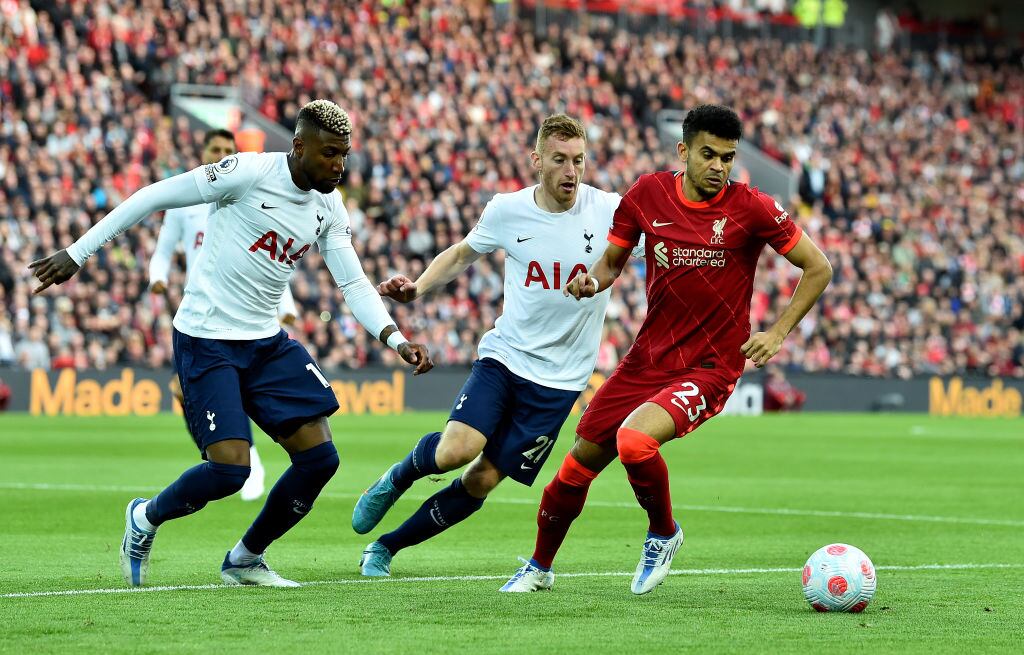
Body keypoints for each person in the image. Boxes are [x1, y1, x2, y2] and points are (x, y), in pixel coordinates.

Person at [29, 99, 434, 587]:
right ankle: (144, 517)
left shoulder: (329, 205)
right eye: (329, 153)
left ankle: (245, 558)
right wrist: (78, 252)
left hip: (265, 342)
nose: (339, 166)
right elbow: (152, 195)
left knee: (320, 459)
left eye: (344, 155)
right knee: (229, 471)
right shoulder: (247, 172)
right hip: (207, 338)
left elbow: (352, 282)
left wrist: (395, 338)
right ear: (299, 146)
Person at [501, 104, 833, 595]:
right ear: (683, 151)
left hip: (710, 365)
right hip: (648, 359)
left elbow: (819, 266)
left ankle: (663, 533)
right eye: (708, 154)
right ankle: (539, 567)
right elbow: (611, 263)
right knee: (575, 466)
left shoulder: (752, 207)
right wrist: (591, 280)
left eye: (727, 157)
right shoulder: (647, 194)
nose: (719, 166)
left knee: (634, 442)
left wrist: (779, 332)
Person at [351, 114, 635, 577]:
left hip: (561, 382)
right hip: (506, 358)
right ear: (536, 160)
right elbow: (462, 253)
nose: (571, 171)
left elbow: (662, 243)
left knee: (481, 479)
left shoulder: (609, 210)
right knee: (456, 451)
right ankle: (395, 478)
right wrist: (418, 288)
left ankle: (386, 547)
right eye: (559, 160)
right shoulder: (507, 209)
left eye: (579, 160)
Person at [148, 128, 300, 502]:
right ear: (203, 152)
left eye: (227, 149)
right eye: (214, 148)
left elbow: (270, 258)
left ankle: (245, 459)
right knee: (180, 389)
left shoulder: (247, 194)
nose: (220, 154)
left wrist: (287, 306)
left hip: (241, 309)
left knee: (227, 385)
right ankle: (222, 458)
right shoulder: (186, 201)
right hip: (199, 313)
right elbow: (163, 250)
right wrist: (157, 277)